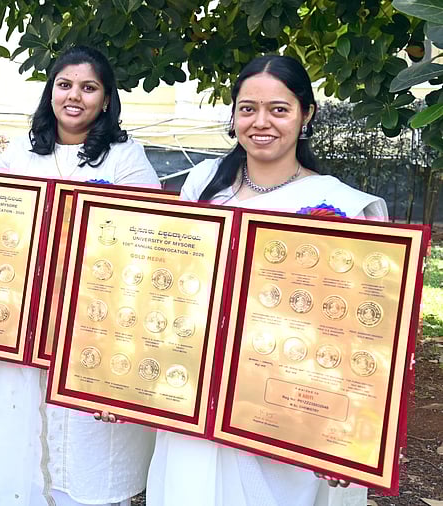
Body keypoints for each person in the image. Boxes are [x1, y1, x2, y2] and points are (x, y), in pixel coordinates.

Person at [0, 45, 161, 506]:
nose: (74, 96)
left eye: (88, 88)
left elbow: (146, 244)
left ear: (106, 100)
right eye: (64, 85)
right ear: (50, 91)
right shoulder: (21, 151)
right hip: (19, 321)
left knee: (84, 442)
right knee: (17, 437)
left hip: (89, 320)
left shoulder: (125, 158)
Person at [145, 54, 382, 506]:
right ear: (233, 115)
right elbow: (167, 288)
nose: (261, 122)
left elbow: (358, 333)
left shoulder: (340, 203)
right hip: (198, 388)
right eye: (248, 108)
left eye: (279, 109)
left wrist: (348, 439)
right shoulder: (203, 185)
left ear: (306, 114)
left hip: (284, 399)